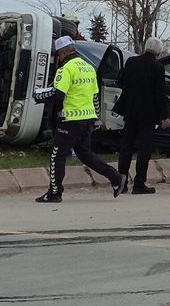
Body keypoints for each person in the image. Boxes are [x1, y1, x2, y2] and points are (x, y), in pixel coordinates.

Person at [33, 36, 123, 202]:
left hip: (71, 119)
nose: (58, 58)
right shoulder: (88, 68)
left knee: (57, 155)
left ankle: (54, 193)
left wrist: (39, 95)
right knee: (85, 154)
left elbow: (58, 94)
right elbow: (95, 94)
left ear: (62, 52)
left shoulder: (66, 69)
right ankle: (116, 178)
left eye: (58, 55)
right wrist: (96, 118)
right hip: (87, 119)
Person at [114, 37, 170, 195]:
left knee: (126, 146)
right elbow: (159, 93)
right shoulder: (158, 67)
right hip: (148, 113)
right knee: (144, 149)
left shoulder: (131, 62)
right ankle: (139, 183)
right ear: (159, 51)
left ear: (145, 47)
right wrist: (165, 116)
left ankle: (122, 182)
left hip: (130, 110)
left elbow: (121, 81)